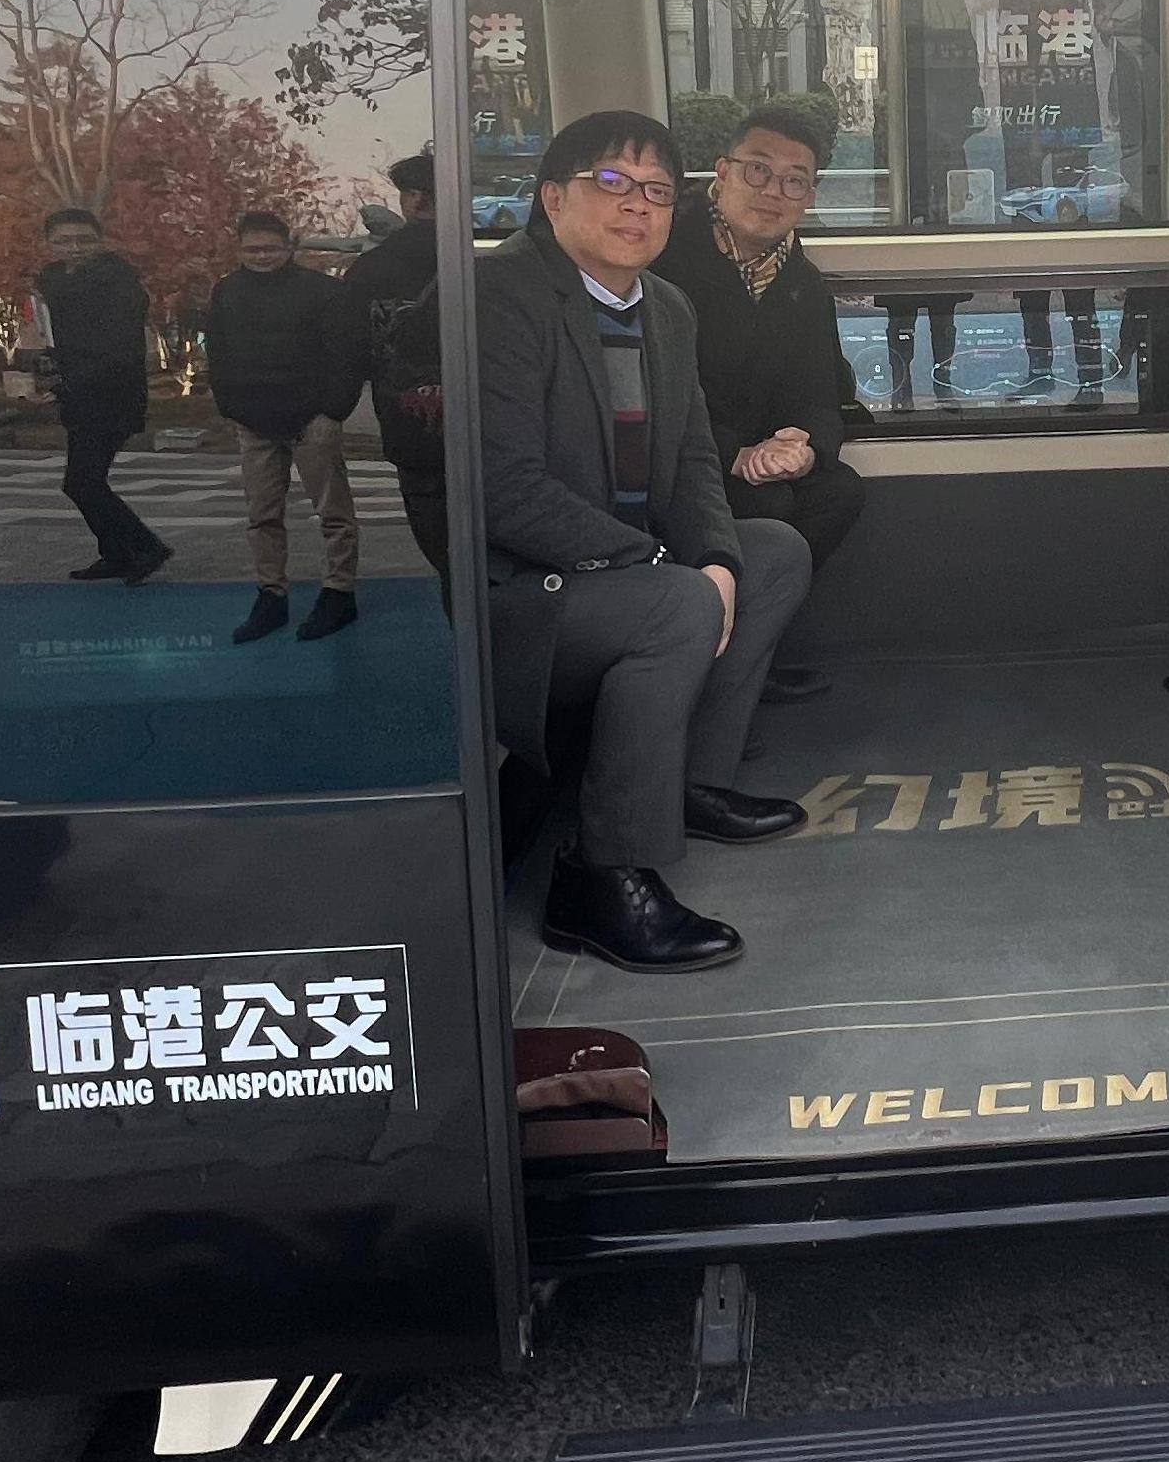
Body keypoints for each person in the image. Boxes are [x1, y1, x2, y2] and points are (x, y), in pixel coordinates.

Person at [480, 109, 813, 971]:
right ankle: (598, 876)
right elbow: (503, 493)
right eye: (614, 183)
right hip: (523, 595)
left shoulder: (665, 307)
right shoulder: (502, 298)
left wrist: (717, 558)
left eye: (658, 192)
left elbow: (698, 458)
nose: (638, 207)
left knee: (773, 552)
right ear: (554, 198)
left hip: (627, 577)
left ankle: (688, 783)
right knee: (677, 603)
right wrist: (668, 567)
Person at [653, 106, 865, 704]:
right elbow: (657, 394)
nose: (774, 192)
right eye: (757, 171)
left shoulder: (799, 280)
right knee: (763, 503)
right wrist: (735, 452)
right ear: (721, 173)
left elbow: (823, 389)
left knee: (837, 490)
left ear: (811, 195)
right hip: (672, 461)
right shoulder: (664, 259)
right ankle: (704, 667)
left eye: (795, 180)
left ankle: (743, 655)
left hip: (757, 461)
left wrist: (801, 445)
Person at [204, 208, 362, 645]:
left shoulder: (324, 292)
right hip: (252, 421)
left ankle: (339, 591)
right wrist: (230, 407)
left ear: (289, 248)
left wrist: (332, 413)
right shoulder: (227, 292)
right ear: (238, 251)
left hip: (313, 420)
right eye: (252, 249)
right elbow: (217, 352)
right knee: (261, 516)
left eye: (270, 248)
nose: (261, 256)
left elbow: (347, 356)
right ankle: (271, 594)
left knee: (333, 513)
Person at [33, 205, 167, 582]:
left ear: (100, 241)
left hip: (111, 392)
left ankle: (145, 547)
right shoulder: (53, 280)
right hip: (77, 392)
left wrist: (71, 380)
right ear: (48, 244)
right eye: (63, 241)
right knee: (84, 481)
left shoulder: (118, 282)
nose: (74, 248)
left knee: (82, 482)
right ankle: (116, 552)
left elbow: (116, 347)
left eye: (83, 240)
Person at [340, 156, 449, 572]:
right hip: (497, 428)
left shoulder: (370, 269)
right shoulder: (492, 262)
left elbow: (354, 348)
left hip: (412, 426)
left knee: (445, 557)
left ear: (415, 200)